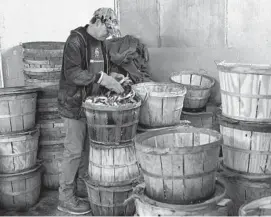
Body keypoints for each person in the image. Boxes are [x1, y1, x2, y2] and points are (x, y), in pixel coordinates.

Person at [57, 8, 124, 215]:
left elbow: (103, 68)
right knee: (74, 151)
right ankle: (65, 198)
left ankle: (81, 190)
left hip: (91, 106)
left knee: (87, 152)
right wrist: (103, 79)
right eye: (108, 29)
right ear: (97, 22)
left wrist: (114, 77)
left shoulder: (102, 44)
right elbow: (73, 74)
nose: (109, 34)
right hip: (74, 105)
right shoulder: (76, 40)